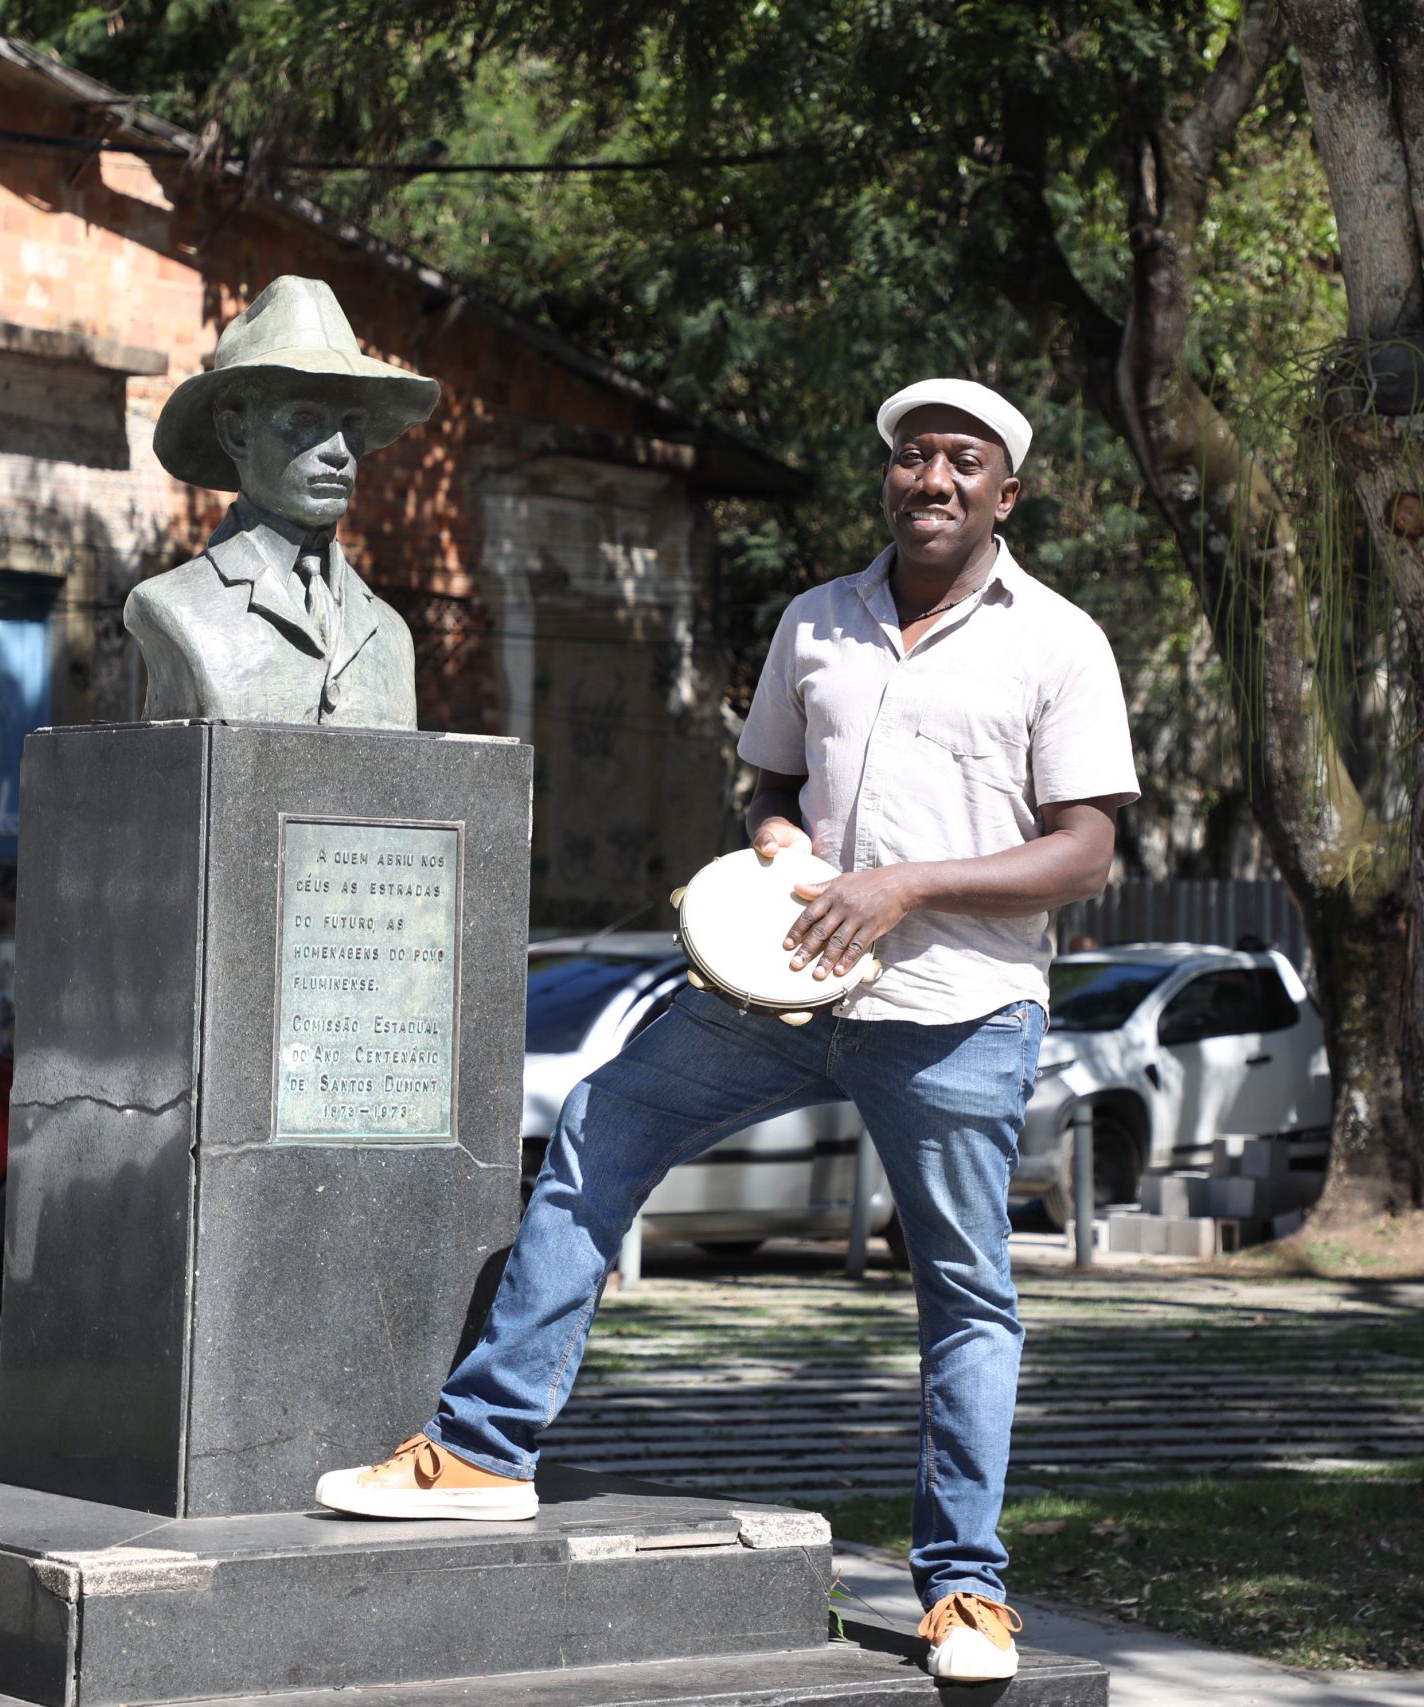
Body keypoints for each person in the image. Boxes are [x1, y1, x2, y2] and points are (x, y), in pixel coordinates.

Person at [315, 378, 1139, 1684]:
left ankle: (967, 1591)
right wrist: (776, 835)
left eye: (960, 460)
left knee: (967, 1291)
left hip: (953, 1018)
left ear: (1004, 492)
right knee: (603, 1123)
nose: (929, 478)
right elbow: (774, 776)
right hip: (781, 991)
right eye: (911, 456)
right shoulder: (819, 619)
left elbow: (1086, 846)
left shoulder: (1059, 640)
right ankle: (481, 1449)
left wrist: (906, 885)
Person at [128, 275, 438, 729]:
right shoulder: (173, 608)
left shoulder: (390, 634)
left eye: (351, 425)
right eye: (305, 420)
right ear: (237, 433)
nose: (338, 451)